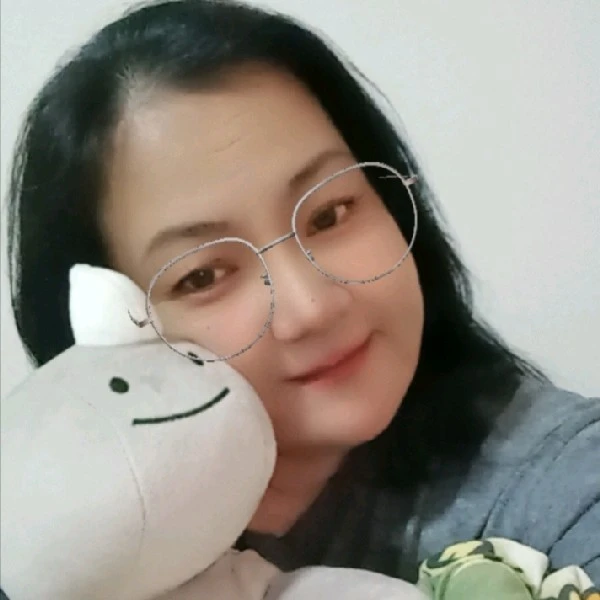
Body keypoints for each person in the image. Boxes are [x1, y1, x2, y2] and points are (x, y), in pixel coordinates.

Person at [5, 0, 599, 586]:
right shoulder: (60, 553)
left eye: (330, 213)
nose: (312, 307)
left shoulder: (564, 489)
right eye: (204, 275)